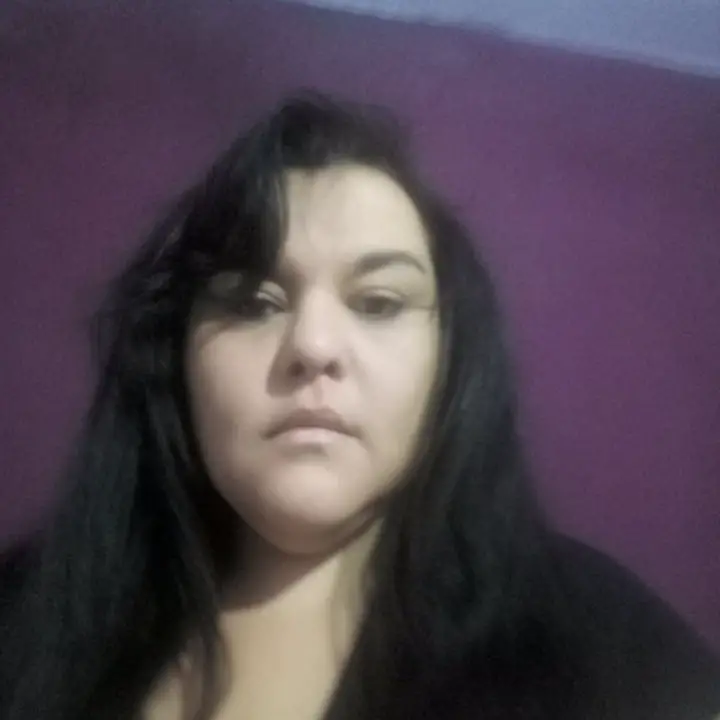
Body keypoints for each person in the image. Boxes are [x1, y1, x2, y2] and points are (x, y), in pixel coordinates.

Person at [1, 91, 719, 720]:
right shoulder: (25, 615)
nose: (313, 346)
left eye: (378, 302)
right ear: (176, 357)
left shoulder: (601, 644)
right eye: (252, 301)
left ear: (450, 361)